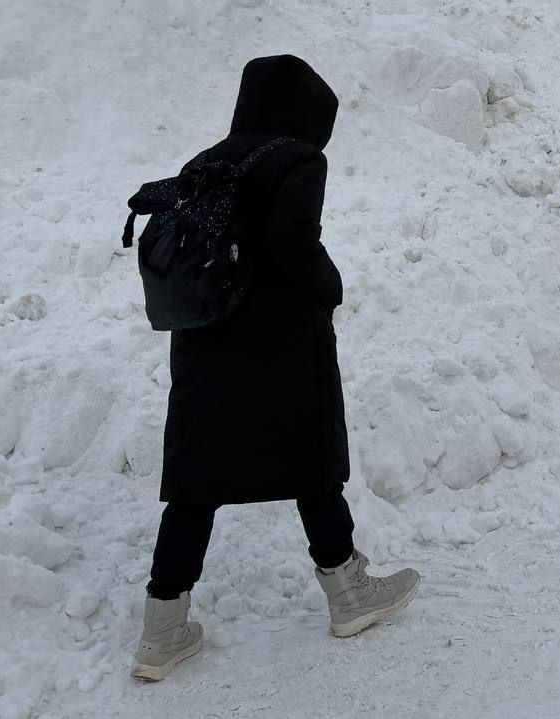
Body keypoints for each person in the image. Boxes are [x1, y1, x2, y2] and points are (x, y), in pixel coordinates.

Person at [131, 55, 419, 682]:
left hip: (206, 340)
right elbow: (294, 241)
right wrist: (329, 287)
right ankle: (349, 594)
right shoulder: (298, 159)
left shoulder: (207, 158)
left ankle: (162, 630)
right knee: (312, 462)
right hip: (283, 341)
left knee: (195, 481)